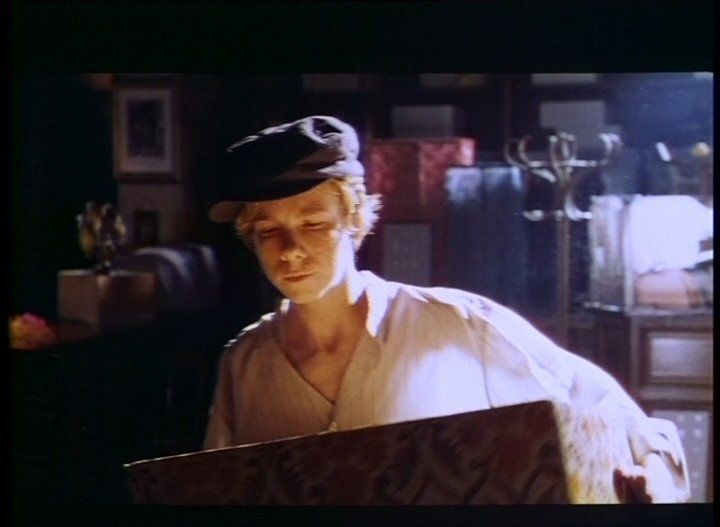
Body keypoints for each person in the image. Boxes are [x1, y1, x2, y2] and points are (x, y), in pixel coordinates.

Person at [203, 115, 690, 503]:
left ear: (352, 218)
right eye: (269, 231)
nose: (290, 251)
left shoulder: (455, 325)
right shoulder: (245, 364)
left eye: (313, 224)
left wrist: (655, 475)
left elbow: (609, 410)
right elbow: (216, 489)